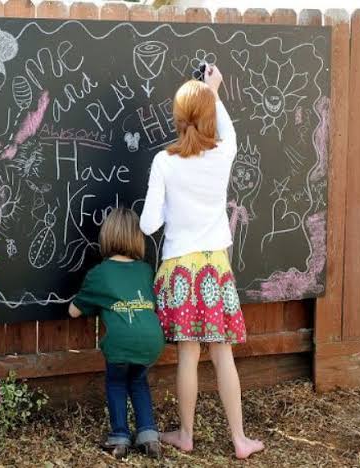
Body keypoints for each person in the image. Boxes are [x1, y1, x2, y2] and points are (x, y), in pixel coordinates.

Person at [139, 66, 264, 459]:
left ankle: (187, 434)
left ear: (177, 119)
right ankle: (240, 439)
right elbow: (229, 132)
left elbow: (148, 224)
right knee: (222, 352)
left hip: (179, 269)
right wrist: (214, 90)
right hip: (215, 268)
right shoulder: (223, 153)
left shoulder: (164, 161)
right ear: (209, 115)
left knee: (188, 355)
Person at [68, 208, 165, 459]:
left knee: (117, 383)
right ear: (137, 238)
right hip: (151, 341)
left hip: (121, 342)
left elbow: (74, 312)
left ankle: (120, 437)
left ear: (107, 236)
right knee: (139, 383)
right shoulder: (145, 270)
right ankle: (149, 435)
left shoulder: (100, 273)